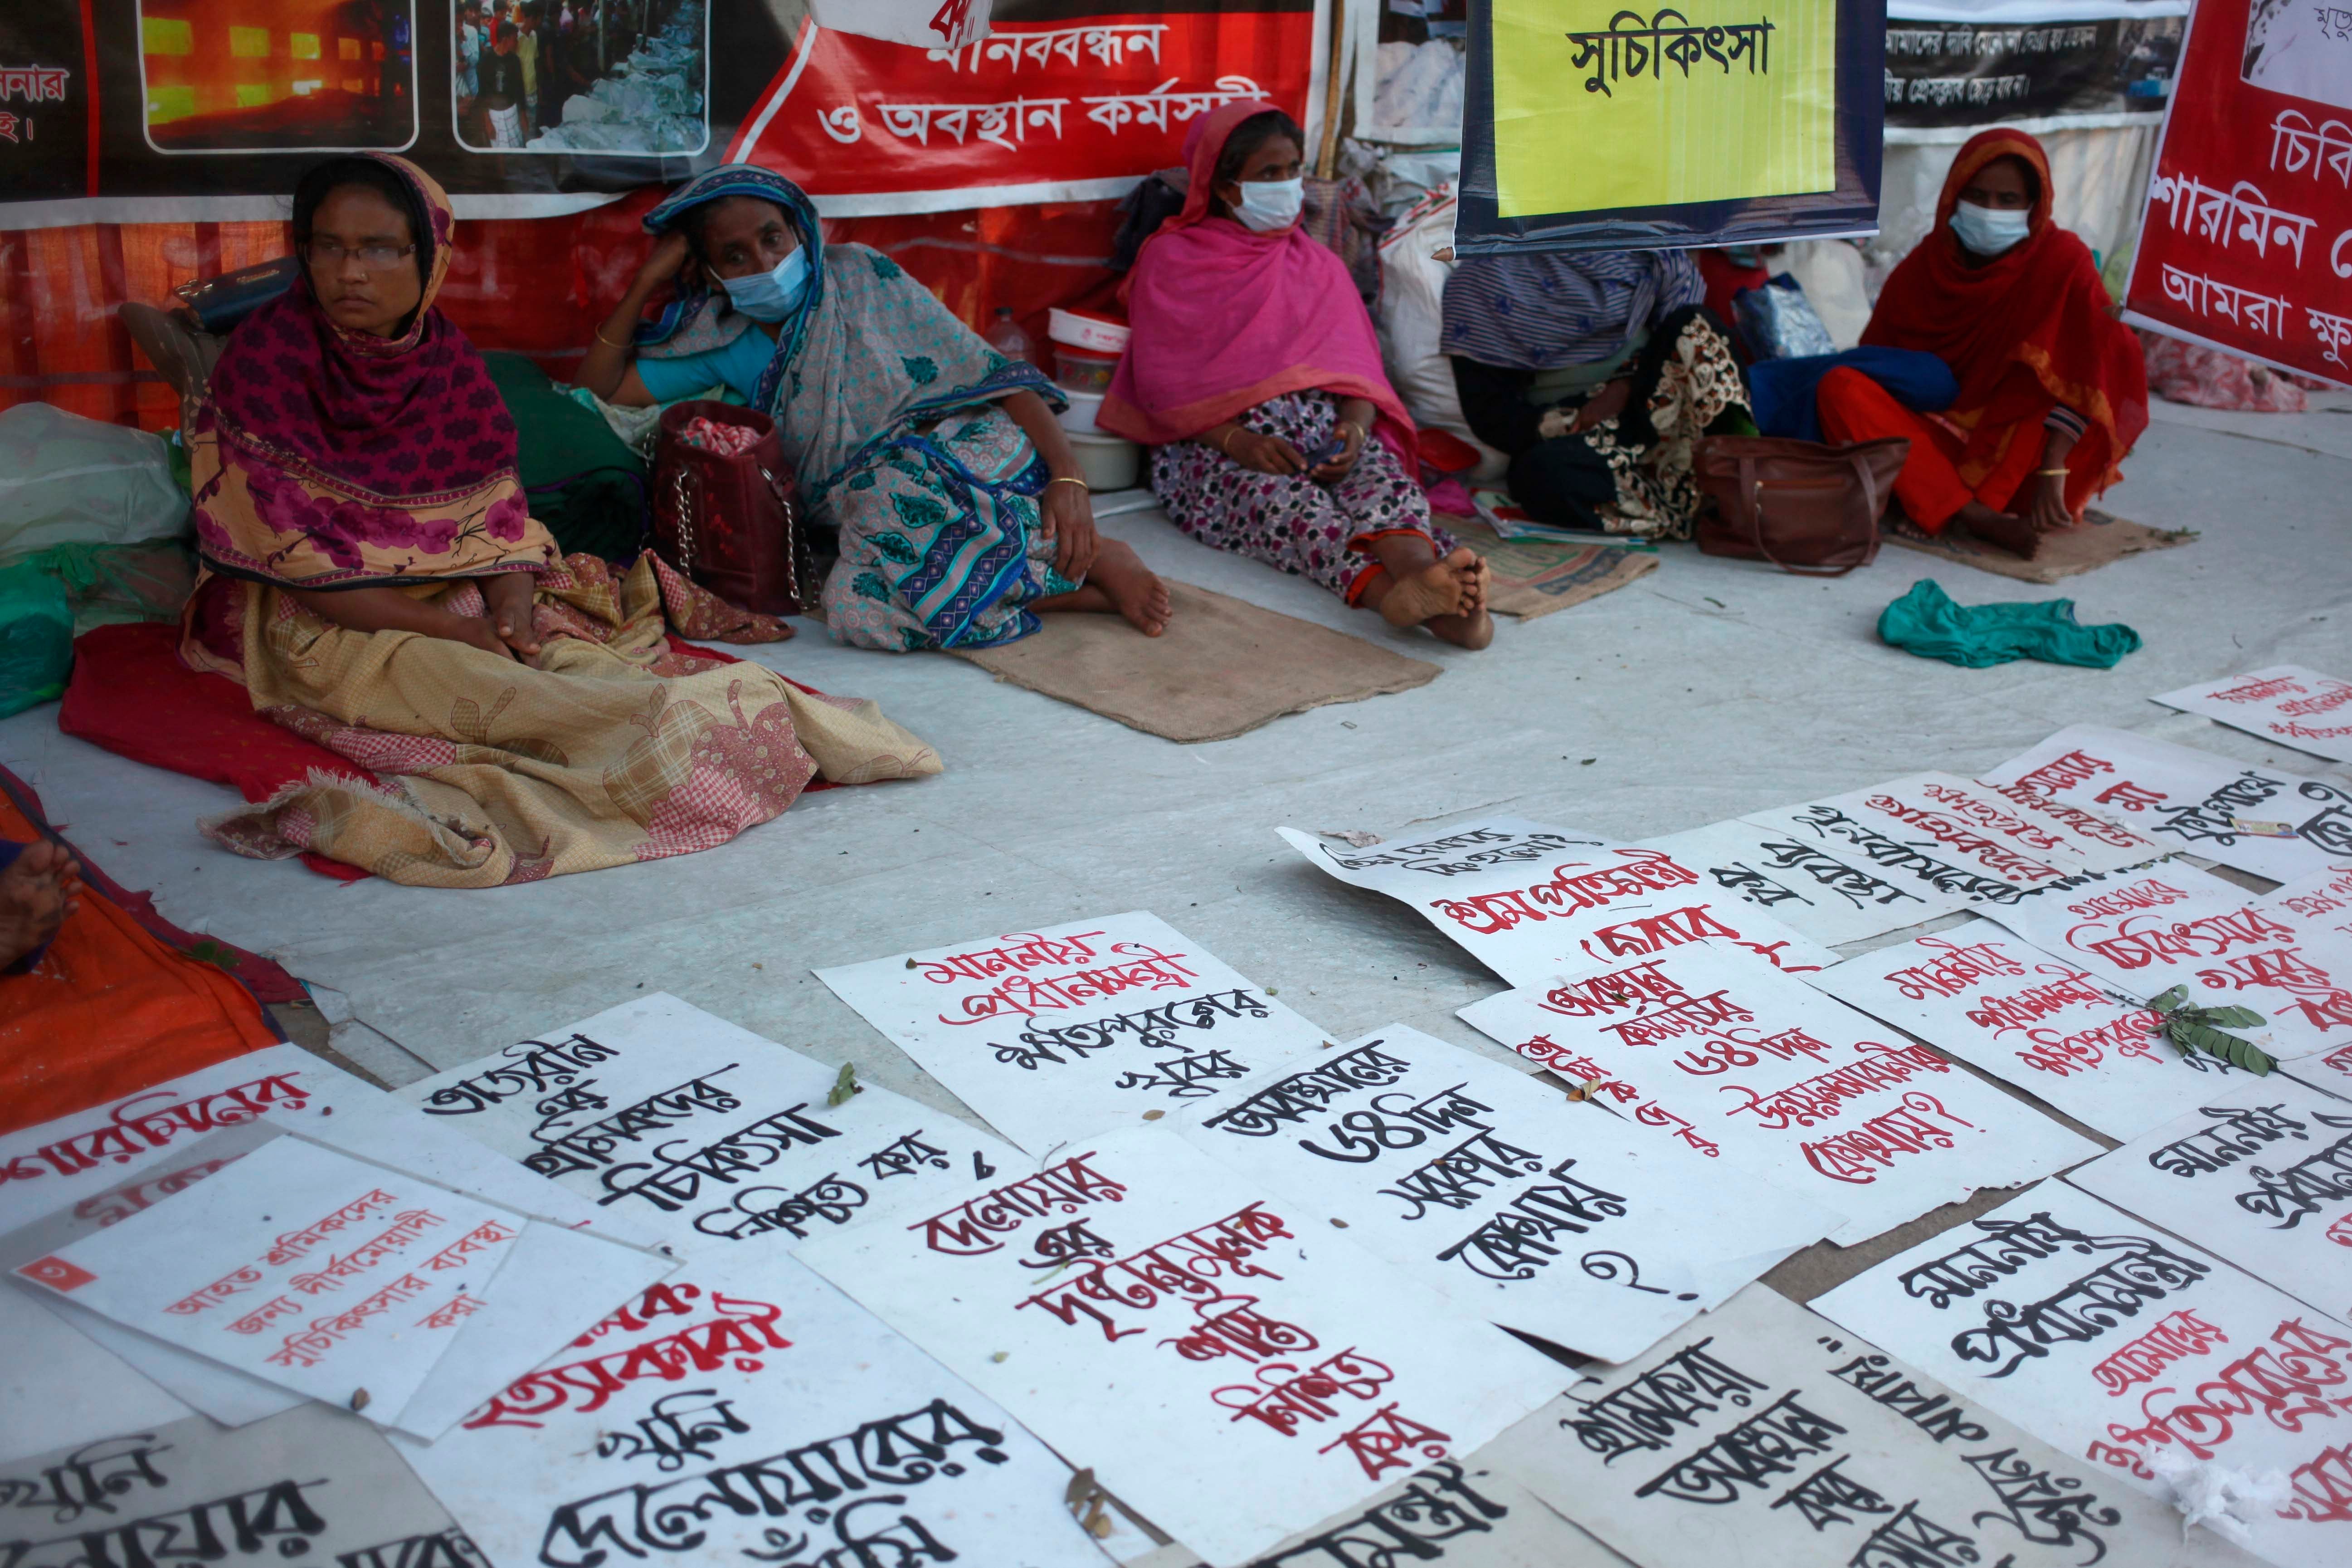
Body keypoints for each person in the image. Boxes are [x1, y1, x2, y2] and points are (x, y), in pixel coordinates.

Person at [180, 154, 938, 887]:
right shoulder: (266, 366)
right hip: (320, 619)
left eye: (380, 248)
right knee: (488, 689)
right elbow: (303, 574)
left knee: (561, 656)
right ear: (302, 253)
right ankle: (673, 750)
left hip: (450, 592)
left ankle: (721, 730)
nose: (351, 272)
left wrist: (511, 611)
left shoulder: (445, 365)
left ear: (429, 256)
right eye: (330, 247)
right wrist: (466, 633)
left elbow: (499, 523)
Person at [577, 165, 1172, 650]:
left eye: (771, 238)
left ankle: (1079, 562)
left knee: (903, 498)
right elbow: (600, 386)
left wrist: (1069, 476)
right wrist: (645, 281)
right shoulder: (720, 339)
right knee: (852, 609)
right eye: (734, 257)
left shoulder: (861, 275)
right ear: (710, 274)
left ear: (800, 232)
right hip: (868, 502)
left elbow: (993, 378)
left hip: (967, 448)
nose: (763, 265)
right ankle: (1076, 588)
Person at [1102, 102, 1491, 648]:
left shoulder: (1317, 262)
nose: (1288, 186)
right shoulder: (1172, 259)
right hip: (1214, 448)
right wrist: (1238, 441)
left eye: (1293, 170)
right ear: (1224, 185)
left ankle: (1424, 576)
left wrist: (1354, 434)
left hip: (1323, 435)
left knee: (1384, 483)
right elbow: (1163, 388)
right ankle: (1408, 602)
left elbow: (1359, 378)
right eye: (1268, 174)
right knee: (1293, 511)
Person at [1815, 128, 2148, 559]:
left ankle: (1952, 504)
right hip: (1933, 446)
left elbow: (2101, 358)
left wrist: (2054, 463)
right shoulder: (1925, 269)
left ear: (2034, 204)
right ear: (1954, 195)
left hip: (2030, 472)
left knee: (2036, 378)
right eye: (1978, 196)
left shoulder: (2061, 260)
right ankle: (1972, 516)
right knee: (1840, 386)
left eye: (2007, 201)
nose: (1990, 211)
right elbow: (1878, 368)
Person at [1444, 250, 1756, 541]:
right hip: (1586, 437)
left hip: (1666, 414)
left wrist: (1626, 385)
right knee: (1540, 476)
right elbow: (1490, 415)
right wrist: (1578, 418)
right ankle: (1688, 507)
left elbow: (1684, 344)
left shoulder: (1652, 252)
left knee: (1695, 324)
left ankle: (1739, 480)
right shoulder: (1482, 280)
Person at [477, 17, 530, 147]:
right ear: (505, 40)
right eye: (515, 39)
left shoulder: (515, 60)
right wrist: (488, 123)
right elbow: (483, 93)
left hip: (512, 112)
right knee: (499, 153)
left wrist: (523, 115)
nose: (517, 42)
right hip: (495, 116)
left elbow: (520, 88)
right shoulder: (486, 61)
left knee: (517, 149)